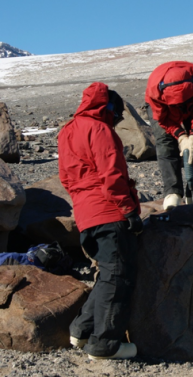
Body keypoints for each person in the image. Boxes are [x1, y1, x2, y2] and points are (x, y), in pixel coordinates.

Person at [58, 82, 143, 360]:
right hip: (109, 213)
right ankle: (104, 344)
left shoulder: (68, 131)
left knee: (107, 274)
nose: (117, 122)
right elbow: (112, 173)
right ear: (106, 108)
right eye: (117, 115)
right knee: (118, 276)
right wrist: (129, 210)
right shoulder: (99, 129)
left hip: (85, 215)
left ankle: (81, 331)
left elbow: (68, 179)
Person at [145, 61, 193, 210]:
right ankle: (172, 193)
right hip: (165, 111)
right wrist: (181, 136)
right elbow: (163, 118)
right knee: (165, 144)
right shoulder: (155, 91)